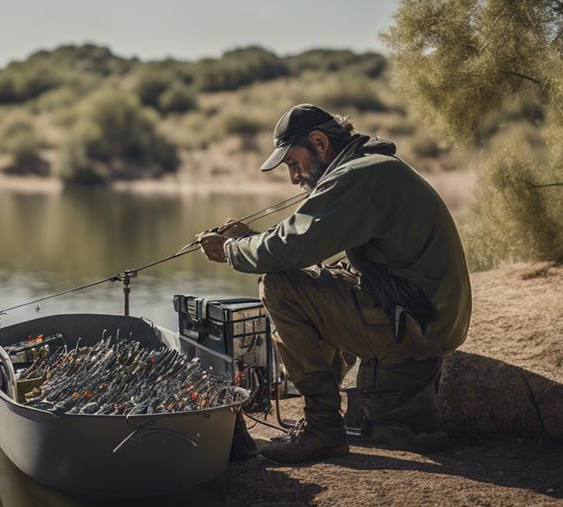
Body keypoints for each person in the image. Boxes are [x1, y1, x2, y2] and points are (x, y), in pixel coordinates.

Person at [199, 104, 471, 464]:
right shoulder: (371, 167)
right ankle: (323, 417)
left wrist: (233, 249)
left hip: (417, 324)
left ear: (319, 142)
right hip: (427, 317)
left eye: (294, 163)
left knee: (279, 286)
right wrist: (255, 239)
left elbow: (291, 247)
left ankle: (323, 427)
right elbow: (301, 244)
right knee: (317, 279)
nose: (294, 178)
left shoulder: (359, 176)